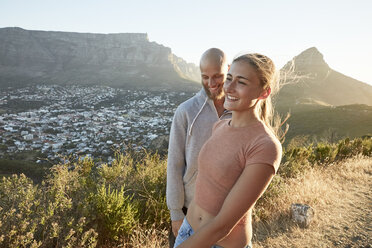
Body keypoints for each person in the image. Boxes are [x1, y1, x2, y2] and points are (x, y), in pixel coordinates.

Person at [174, 53, 283, 248]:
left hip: (222, 244)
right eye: (229, 78)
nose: (229, 88)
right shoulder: (221, 126)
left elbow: (223, 225)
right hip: (188, 230)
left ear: (264, 92)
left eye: (241, 82)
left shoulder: (265, 146)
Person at [166, 48, 231, 247]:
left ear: (228, 70)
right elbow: (174, 164)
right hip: (189, 212)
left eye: (218, 76)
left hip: (227, 213)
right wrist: (176, 213)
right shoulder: (185, 111)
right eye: (205, 77)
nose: (211, 84)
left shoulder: (238, 111)